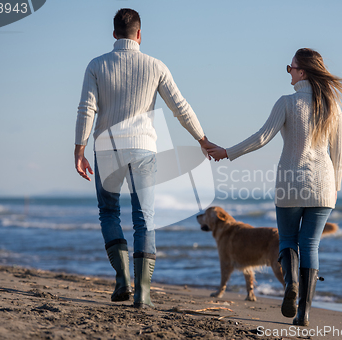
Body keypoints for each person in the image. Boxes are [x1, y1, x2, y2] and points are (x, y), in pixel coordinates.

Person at [74, 8, 215, 308]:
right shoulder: (155, 66)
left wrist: (79, 149)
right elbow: (181, 107)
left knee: (109, 213)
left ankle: (123, 278)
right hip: (143, 149)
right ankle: (143, 292)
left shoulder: (96, 65)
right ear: (139, 34)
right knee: (144, 219)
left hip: (106, 148)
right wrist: (202, 139)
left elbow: (86, 109)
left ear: (114, 34)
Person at [208, 48, 342, 326]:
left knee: (288, 241)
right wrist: (335, 185)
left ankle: (290, 283)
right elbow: (339, 153)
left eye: (290, 68)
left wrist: (227, 152)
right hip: (324, 187)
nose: (288, 73)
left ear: (302, 72)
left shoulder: (287, 102)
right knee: (310, 245)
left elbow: (262, 137)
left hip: (290, 184)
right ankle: (304, 314)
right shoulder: (332, 106)